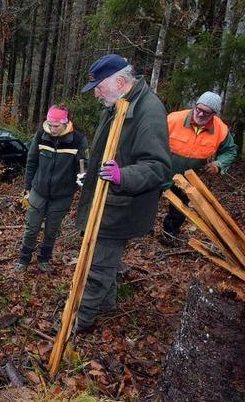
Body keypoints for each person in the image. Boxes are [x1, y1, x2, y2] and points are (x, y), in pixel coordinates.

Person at [73, 54, 171, 333]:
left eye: (98, 87)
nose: (96, 94)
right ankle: (107, 305)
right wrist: (91, 175)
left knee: (98, 265)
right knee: (104, 261)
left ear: (119, 81)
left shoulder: (148, 111)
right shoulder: (116, 104)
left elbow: (158, 166)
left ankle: (81, 321)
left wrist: (122, 176)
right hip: (106, 198)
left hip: (121, 204)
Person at [16, 106, 88, 273]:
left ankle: (44, 259)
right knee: (31, 228)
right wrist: (27, 188)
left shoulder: (78, 140)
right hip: (38, 191)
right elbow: (32, 162)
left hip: (62, 196)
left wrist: (81, 178)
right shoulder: (41, 135)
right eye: (50, 125)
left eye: (57, 126)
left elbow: (83, 165)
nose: (53, 129)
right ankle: (24, 259)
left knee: (51, 231)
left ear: (66, 123)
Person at [162, 91, 238, 242]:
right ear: (195, 106)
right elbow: (153, 138)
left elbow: (230, 150)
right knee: (147, 201)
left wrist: (218, 164)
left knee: (179, 209)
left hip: (189, 178)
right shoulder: (173, 119)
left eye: (207, 113)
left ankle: (169, 235)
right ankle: (141, 229)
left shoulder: (221, 129)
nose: (201, 114)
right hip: (162, 171)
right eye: (199, 109)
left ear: (214, 114)